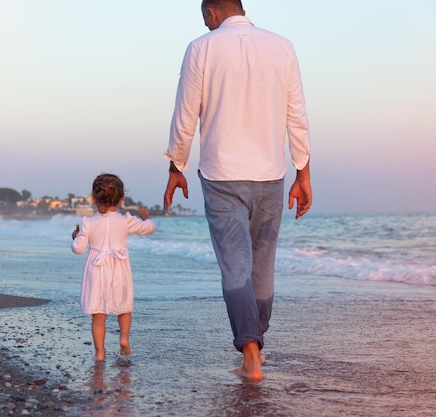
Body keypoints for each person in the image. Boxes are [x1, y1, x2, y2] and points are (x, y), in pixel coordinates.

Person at [163, 0, 312, 380]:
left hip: (221, 175)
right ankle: (255, 340)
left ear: (212, 13)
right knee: (262, 266)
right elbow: (297, 114)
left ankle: (250, 349)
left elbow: (185, 115)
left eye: (204, 18)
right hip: (271, 174)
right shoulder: (283, 46)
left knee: (235, 266)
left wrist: (175, 167)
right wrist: (303, 173)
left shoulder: (201, 48)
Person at [72, 173, 155, 361]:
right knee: (124, 307)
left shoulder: (88, 222)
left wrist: (76, 235)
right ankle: (124, 338)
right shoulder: (126, 220)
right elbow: (149, 229)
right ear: (122, 198)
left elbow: (78, 249)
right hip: (119, 268)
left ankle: (100, 353)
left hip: (97, 269)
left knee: (99, 314)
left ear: (93, 198)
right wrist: (146, 217)